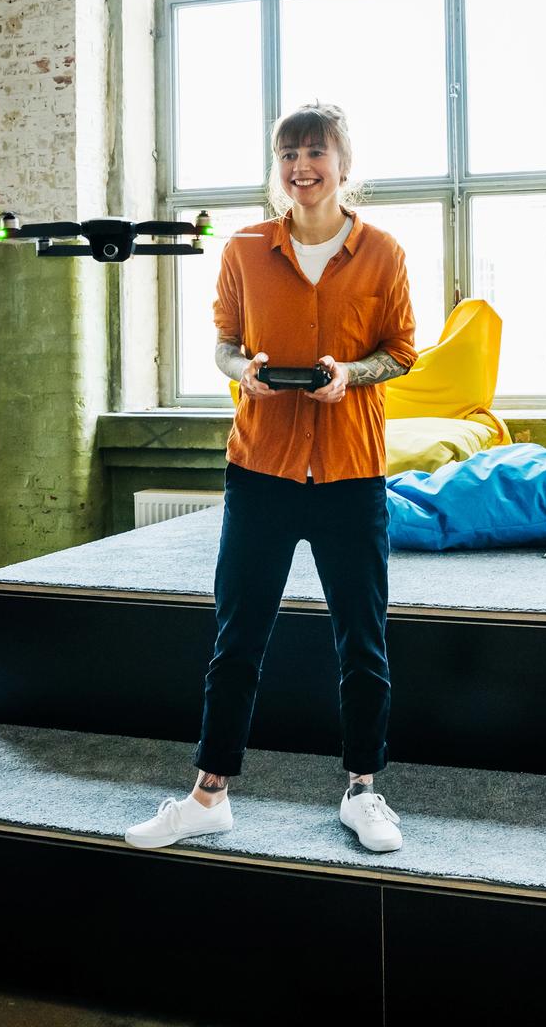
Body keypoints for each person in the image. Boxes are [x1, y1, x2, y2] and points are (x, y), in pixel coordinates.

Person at [128, 103, 416, 854]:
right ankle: (208, 795)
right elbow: (224, 344)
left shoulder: (383, 252)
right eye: (288, 154)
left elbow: (403, 352)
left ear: (344, 165)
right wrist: (244, 373)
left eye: (315, 152)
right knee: (237, 637)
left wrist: (348, 375)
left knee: (364, 640)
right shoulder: (246, 247)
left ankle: (363, 792)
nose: (301, 167)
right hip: (261, 468)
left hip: (352, 471)